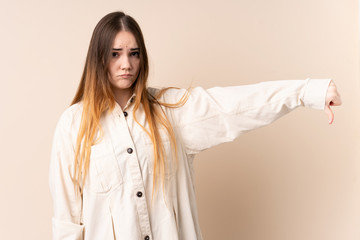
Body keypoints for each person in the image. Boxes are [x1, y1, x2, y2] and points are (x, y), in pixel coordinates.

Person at [49, 11, 341, 240]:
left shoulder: (170, 111)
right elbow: (68, 221)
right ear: (99, 58)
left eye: (134, 53)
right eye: (115, 54)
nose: (126, 64)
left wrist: (307, 92)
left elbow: (234, 106)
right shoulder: (74, 125)